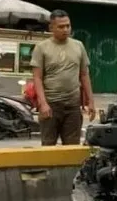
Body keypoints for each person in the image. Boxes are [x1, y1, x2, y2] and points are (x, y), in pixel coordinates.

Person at [30, 9, 95, 146]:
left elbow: (84, 75)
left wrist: (91, 102)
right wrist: (43, 104)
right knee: (48, 147)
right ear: (51, 27)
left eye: (68, 25)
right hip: (51, 106)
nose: (65, 29)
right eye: (61, 26)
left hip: (72, 106)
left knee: (72, 148)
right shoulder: (41, 48)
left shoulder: (79, 46)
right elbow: (37, 78)